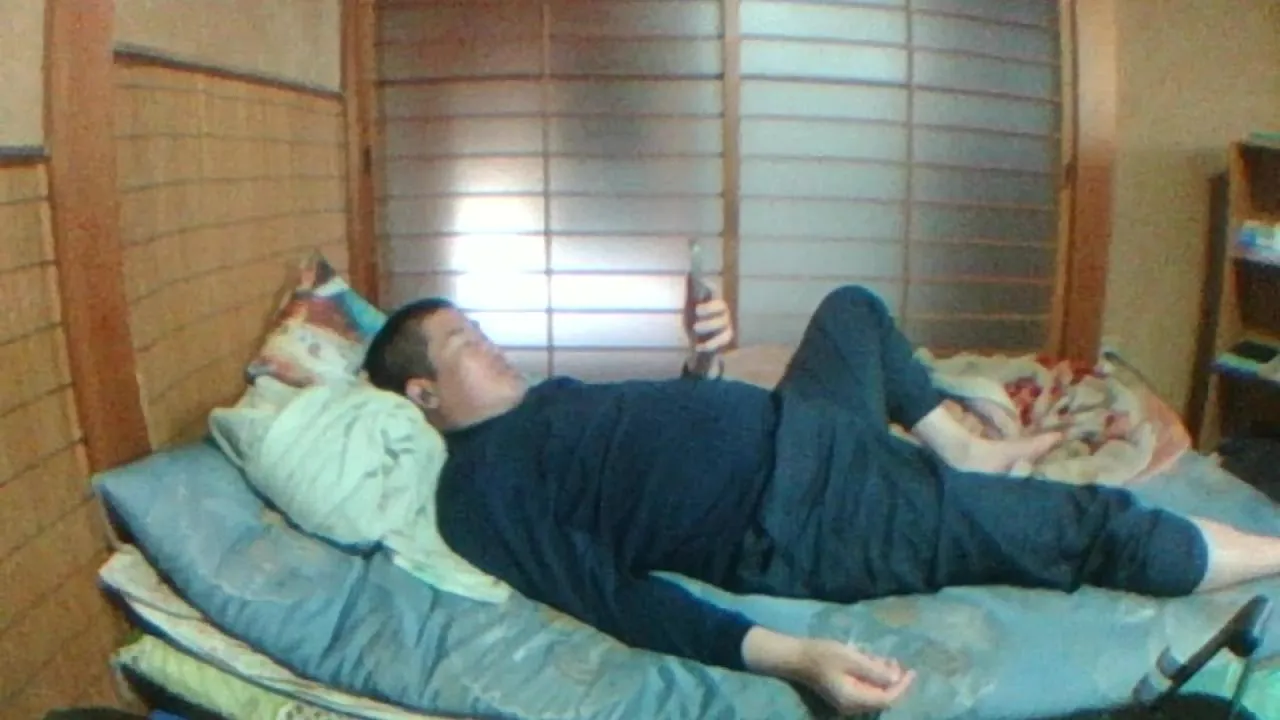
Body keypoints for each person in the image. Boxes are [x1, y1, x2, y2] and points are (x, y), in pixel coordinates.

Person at [362, 284, 1280, 715]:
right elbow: (612, 597)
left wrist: (704, 361)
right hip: (808, 513)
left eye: (481, 327)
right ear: (423, 395)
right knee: (1085, 527)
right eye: (464, 343)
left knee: (851, 309)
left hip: (805, 431)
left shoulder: (545, 404)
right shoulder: (474, 490)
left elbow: (648, 446)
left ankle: (962, 447)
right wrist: (796, 656)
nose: (492, 344)